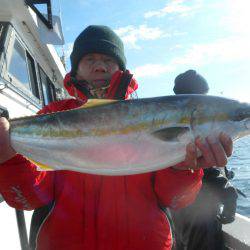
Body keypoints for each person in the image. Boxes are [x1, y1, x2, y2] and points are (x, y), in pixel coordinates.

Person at [0, 26, 233, 250]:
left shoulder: (154, 116)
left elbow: (175, 200)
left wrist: (184, 169)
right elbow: (29, 199)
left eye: (108, 60)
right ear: (76, 69)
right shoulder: (53, 114)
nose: (100, 66)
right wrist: (8, 159)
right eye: (90, 59)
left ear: (119, 68)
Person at [171, 69, 238, 250]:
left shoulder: (171, 121)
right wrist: (226, 189)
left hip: (177, 210)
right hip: (200, 212)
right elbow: (202, 166)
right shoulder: (196, 120)